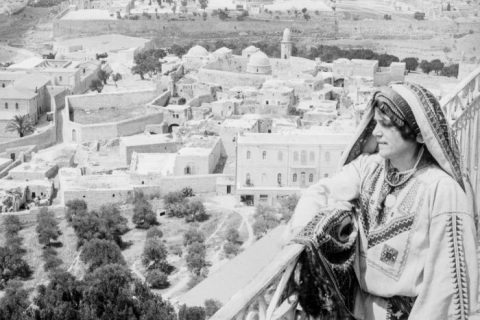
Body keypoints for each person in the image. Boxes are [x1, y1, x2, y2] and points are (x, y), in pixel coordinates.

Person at [285, 82, 478, 320]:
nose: (376, 132)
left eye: (386, 125)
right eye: (375, 123)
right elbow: (319, 193)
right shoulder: (369, 168)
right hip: (359, 310)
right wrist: (300, 239)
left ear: (418, 132)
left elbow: (444, 289)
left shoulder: (441, 191)